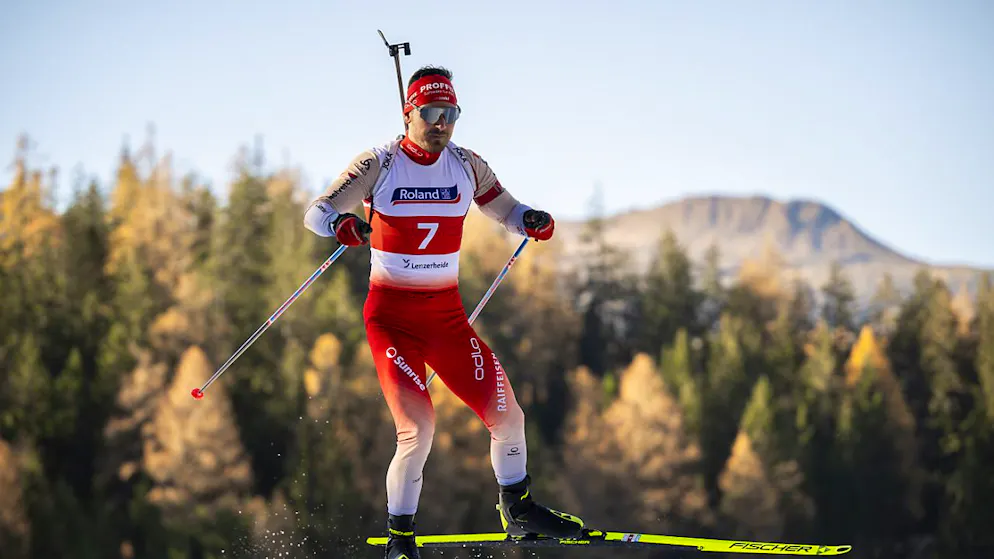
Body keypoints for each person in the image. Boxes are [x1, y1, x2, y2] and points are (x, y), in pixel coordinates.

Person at [303, 65, 586, 558]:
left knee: (508, 416)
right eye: (432, 112)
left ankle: (518, 510)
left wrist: (533, 220)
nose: (442, 123)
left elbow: (508, 210)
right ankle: (401, 542)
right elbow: (316, 213)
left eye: (451, 113)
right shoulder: (379, 163)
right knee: (419, 429)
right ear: (409, 111)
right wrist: (343, 226)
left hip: (446, 320)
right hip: (392, 320)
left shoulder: (466, 164)